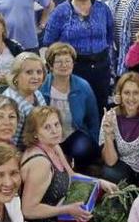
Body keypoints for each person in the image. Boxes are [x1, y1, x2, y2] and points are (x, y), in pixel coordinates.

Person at [20, 106, 116, 222]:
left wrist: (100, 182)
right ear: (35, 134)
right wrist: (67, 210)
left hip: (61, 201)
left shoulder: (54, 145)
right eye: (47, 127)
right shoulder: (40, 164)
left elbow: (71, 176)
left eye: (56, 124)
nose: (55, 131)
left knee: (102, 190)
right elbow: (28, 210)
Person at [43, 0, 115, 115]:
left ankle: (100, 136)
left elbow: (109, 35)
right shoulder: (60, 12)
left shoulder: (103, 9)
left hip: (101, 67)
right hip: (74, 67)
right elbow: (49, 42)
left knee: (101, 105)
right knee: (78, 107)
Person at [39, 42, 100, 170]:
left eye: (68, 61)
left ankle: (76, 167)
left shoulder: (83, 86)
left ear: (73, 63)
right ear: (50, 65)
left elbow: (93, 118)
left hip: (73, 132)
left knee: (84, 150)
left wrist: (95, 142)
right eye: (59, 62)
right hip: (47, 135)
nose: (64, 65)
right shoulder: (42, 85)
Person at [99, 73, 139, 185]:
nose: (131, 98)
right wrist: (108, 135)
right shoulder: (110, 117)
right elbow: (110, 161)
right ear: (120, 95)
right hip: (124, 169)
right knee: (109, 173)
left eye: (136, 93)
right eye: (127, 93)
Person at [1, 53, 47, 149]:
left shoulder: (38, 94)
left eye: (39, 72)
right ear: (16, 76)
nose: (36, 76)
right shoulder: (10, 102)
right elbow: (8, 143)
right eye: (29, 72)